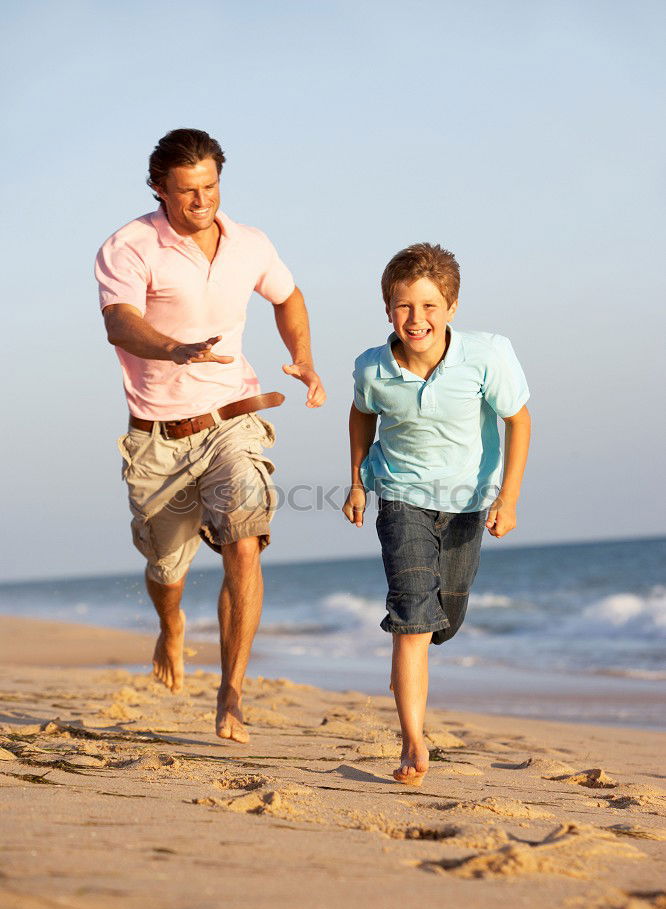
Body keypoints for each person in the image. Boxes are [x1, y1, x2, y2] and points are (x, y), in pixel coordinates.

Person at [95, 128, 325, 744]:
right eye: (187, 191)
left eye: (211, 187)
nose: (202, 202)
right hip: (158, 438)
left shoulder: (249, 243)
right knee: (166, 567)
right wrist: (175, 349)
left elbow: (288, 294)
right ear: (158, 189)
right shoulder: (130, 245)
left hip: (231, 421)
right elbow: (120, 323)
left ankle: (232, 693)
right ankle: (171, 625)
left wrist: (301, 356)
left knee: (244, 540)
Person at [342, 243, 530, 785]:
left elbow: (519, 421)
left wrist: (508, 498)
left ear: (450, 307)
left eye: (428, 306)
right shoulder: (372, 367)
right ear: (388, 310)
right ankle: (412, 740)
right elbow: (361, 416)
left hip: (469, 504)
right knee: (412, 619)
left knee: (443, 619)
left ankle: (424, 646)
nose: (416, 319)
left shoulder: (487, 355)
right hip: (401, 498)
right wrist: (356, 481)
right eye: (404, 307)